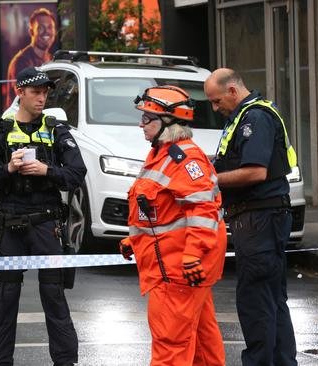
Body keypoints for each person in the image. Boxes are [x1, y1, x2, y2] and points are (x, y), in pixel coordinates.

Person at [0, 66, 86, 366]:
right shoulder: (2, 132)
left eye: (46, 92)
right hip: (11, 225)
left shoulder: (56, 129)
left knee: (54, 297)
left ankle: (65, 361)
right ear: (19, 92)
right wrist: (7, 169)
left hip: (47, 224)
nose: (42, 98)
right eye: (36, 92)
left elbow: (76, 173)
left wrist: (47, 171)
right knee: (6, 298)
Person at [120, 85, 227, 365]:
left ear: (169, 123)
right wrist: (136, 240)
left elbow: (203, 210)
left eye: (147, 118)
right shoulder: (164, 153)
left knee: (170, 346)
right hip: (178, 264)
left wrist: (192, 255)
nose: (141, 124)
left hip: (177, 268)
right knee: (203, 344)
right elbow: (164, 211)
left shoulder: (183, 158)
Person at [204, 68, 298, 366]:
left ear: (232, 91)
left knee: (255, 300)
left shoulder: (254, 118)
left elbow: (256, 171)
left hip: (259, 218)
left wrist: (211, 180)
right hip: (262, 218)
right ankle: (283, 361)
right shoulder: (246, 116)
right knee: (271, 299)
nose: (215, 108)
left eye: (217, 101)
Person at [5, 8, 56, 108]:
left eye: (50, 27)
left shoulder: (51, 59)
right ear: (31, 32)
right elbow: (27, 100)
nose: (47, 32)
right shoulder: (21, 61)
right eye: (41, 28)